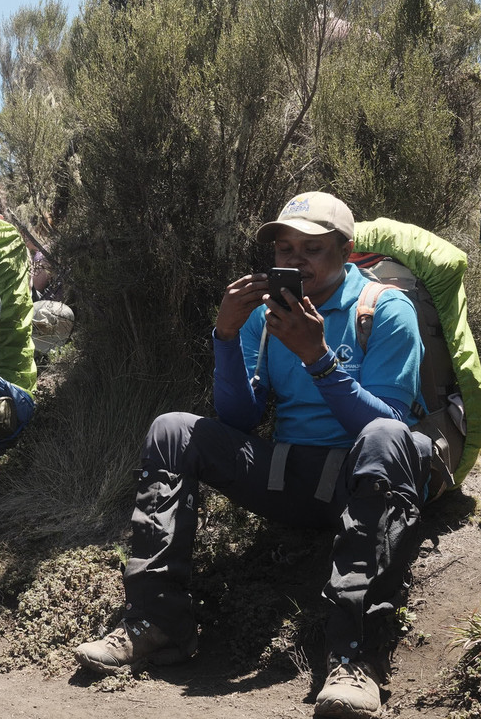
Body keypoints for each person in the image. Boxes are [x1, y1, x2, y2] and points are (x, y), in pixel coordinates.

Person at [73, 192, 431, 719]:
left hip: (360, 486)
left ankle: (355, 660)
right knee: (172, 430)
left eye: (312, 248)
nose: (294, 261)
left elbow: (392, 430)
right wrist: (225, 335)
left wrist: (319, 359)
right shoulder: (269, 318)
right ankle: (158, 622)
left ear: (346, 250)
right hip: (287, 478)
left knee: (382, 437)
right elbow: (238, 419)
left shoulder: (383, 310)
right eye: (284, 249)